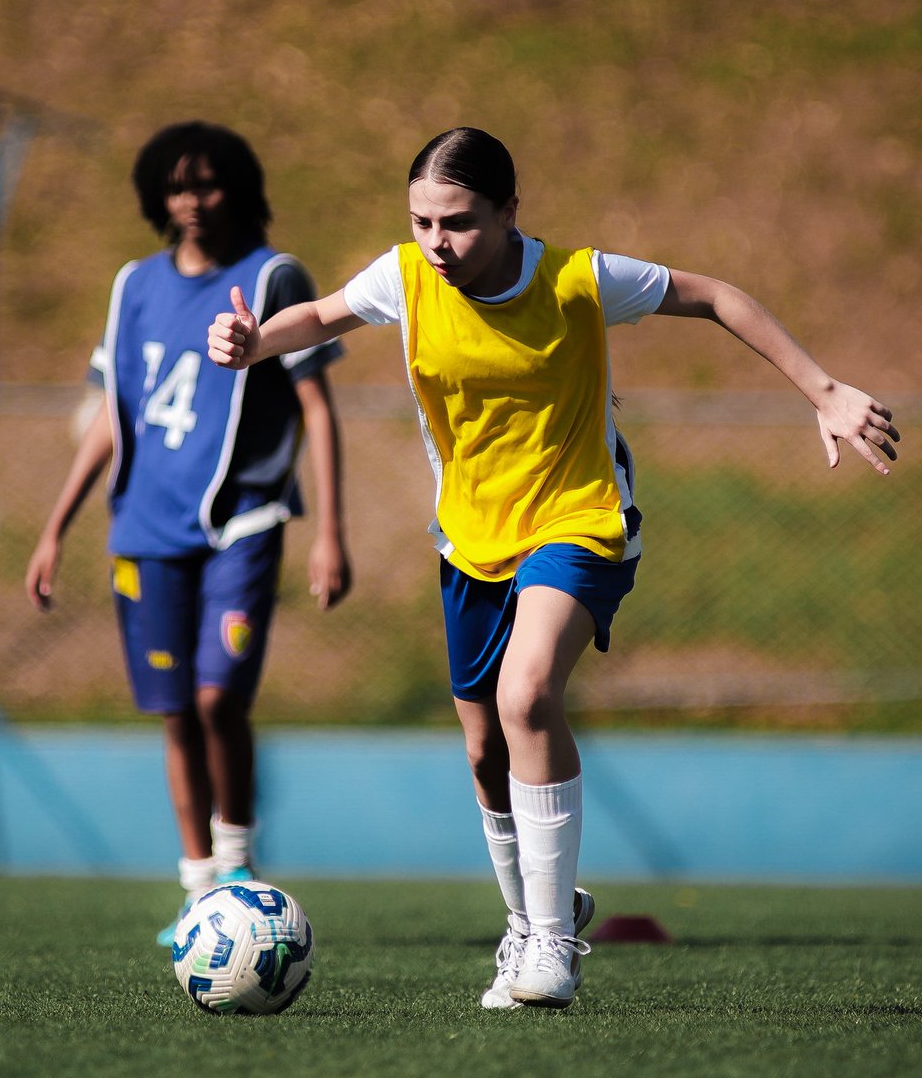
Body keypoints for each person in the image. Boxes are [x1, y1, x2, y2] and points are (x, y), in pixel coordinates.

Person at [206, 126, 900, 1009]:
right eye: (420, 221)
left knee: (527, 694)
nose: (436, 242)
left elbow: (718, 296)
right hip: (469, 536)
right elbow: (324, 314)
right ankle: (535, 914)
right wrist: (253, 339)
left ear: (507, 213)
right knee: (485, 746)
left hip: (579, 519)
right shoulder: (407, 278)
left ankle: (554, 949)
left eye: (456, 222)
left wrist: (825, 390)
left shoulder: (579, 279)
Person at [26, 121, 351, 946]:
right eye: (176, 187)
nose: (192, 201)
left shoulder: (273, 278)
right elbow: (112, 415)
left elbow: (318, 407)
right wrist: (55, 527)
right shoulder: (133, 285)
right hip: (144, 526)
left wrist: (330, 533)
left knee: (218, 698)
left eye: (207, 184)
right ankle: (197, 883)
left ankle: (239, 866)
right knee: (175, 710)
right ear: (156, 199)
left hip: (242, 520)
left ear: (236, 187)